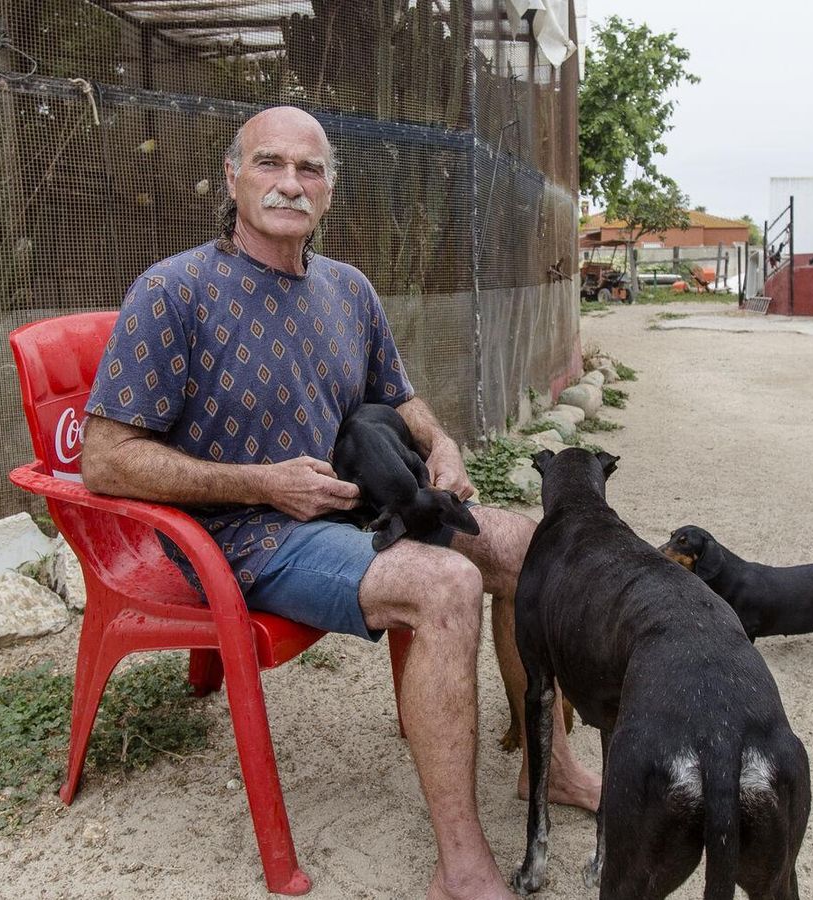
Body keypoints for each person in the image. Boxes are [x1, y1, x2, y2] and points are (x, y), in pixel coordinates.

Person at [79, 106, 598, 900]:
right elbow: (106, 460)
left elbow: (403, 400)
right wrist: (258, 482)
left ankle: (549, 766)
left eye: (310, 169)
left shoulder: (347, 289)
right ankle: (461, 866)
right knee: (445, 583)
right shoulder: (173, 290)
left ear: (329, 189)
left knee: (526, 544)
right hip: (245, 536)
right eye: (270, 164)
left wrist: (443, 446)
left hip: (352, 510)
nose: (291, 183)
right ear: (232, 176)